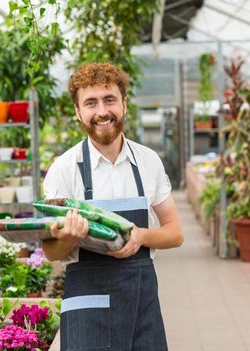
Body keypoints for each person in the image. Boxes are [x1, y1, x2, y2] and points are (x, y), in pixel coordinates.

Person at [42, 62, 183, 351]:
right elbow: (50, 252)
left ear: (124, 104)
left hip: (141, 301)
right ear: (78, 111)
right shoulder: (64, 170)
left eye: (109, 100)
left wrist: (141, 236)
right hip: (87, 303)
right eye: (90, 103)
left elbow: (175, 232)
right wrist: (69, 238)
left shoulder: (148, 161)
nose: (102, 112)